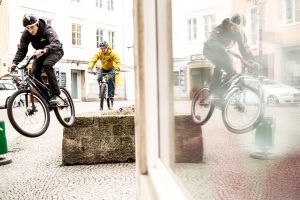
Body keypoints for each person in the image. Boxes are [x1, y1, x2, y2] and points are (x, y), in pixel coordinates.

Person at [8, 14, 64, 104]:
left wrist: (44, 50)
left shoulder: (47, 29)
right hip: (40, 54)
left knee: (47, 64)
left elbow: (56, 43)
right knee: (35, 72)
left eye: (32, 27)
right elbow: (22, 50)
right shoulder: (26, 35)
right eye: (27, 28)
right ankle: (47, 98)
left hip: (55, 51)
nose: (30, 30)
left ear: (37, 24)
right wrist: (14, 63)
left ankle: (55, 94)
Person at [203, 13, 258, 97]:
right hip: (209, 50)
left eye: (238, 28)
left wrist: (252, 61)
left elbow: (243, 48)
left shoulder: (238, 33)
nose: (235, 30)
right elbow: (212, 42)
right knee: (227, 67)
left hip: (223, 52)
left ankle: (222, 94)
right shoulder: (220, 29)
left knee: (232, 71)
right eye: (234, 26)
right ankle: (212, 93)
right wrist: (224, 49)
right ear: (230, 23)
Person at [87, 41, 121, 109]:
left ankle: (111, 97)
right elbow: (93, 60)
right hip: (104, 68)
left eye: (104, 48)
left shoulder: (112, 53)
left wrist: (117, 69)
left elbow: (118, 61)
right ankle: (102, 93)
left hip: (112, 69)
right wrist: (90, 68)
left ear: (107, 48)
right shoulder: (99, 53)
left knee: (110, 79)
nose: (102, 50)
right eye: (101, 49)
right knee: (99, 78)